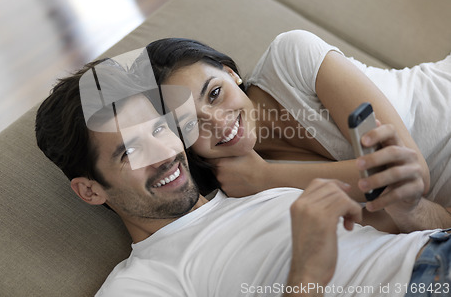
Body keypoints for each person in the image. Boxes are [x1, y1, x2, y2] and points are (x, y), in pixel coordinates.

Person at [35, 51, 451, 296]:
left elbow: (437, 226)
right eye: (130, 151)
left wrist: (410, 209)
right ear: (90, 191)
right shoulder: (145, 281)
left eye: (161, 129)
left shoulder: (257, 187)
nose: (164, 154)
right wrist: (306, 275)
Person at [146, 30, 451, 213]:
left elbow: (407, 174)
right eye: (190, 124)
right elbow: (391, 221)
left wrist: (266, 176)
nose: (217, 121)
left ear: (230, 74)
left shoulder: (290, 57)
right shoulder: (239, 191)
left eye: (214, 93)